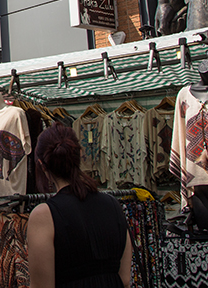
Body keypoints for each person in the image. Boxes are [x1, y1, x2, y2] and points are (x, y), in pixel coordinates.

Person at [27, 123, 132, 288]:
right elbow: (125, 279)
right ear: (80, 156)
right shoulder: (113, 205)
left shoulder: (44, 216)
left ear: (41, 165)